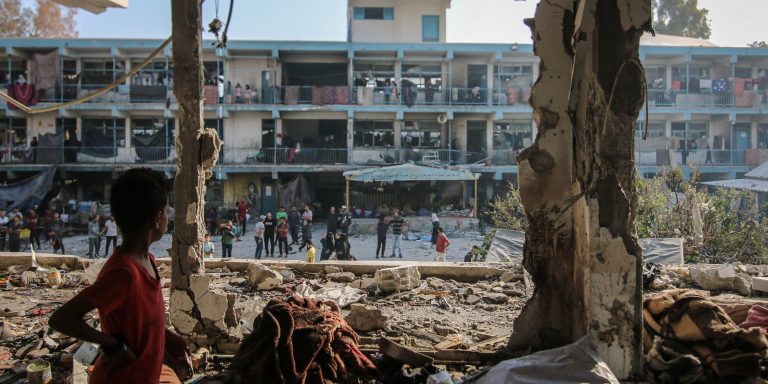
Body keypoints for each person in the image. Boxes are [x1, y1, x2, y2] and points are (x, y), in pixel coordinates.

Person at [49, 168, 188, 384]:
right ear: (157, 218)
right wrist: (112, 344)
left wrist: (167, 337)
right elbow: (61, 319)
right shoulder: (124, 273)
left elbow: (139, 321)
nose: (168, 217)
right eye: (167, 212)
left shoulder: (148, 260)